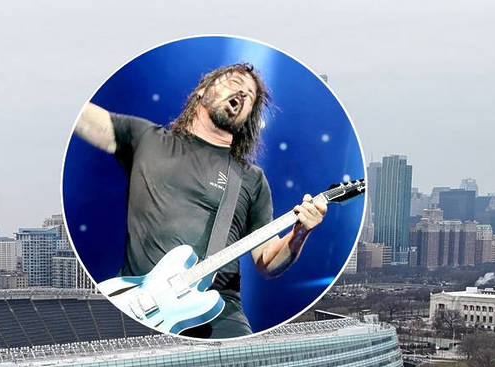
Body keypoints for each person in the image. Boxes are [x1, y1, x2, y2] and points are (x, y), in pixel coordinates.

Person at [74, 63, 327, 338]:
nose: (242, 94)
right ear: (202, 90)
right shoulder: (146, 138)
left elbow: (266, 262)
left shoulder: (250, 178)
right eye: (233, 83)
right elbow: (81, 117)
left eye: (250, 97)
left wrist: (299, 233)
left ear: (247, 119)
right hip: (137, 303)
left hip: (218, 312)